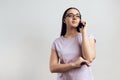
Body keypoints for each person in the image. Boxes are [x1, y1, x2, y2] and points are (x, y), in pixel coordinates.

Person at [49, 7, 96, 80]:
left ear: (80, 20)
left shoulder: (88, 37)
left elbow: (89, 58)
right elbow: (52, 67)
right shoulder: (57, 42)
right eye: (70, 15)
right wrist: (73, 65)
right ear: (64, 20)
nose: (74, 18)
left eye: (77, 16)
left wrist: (83, 32)